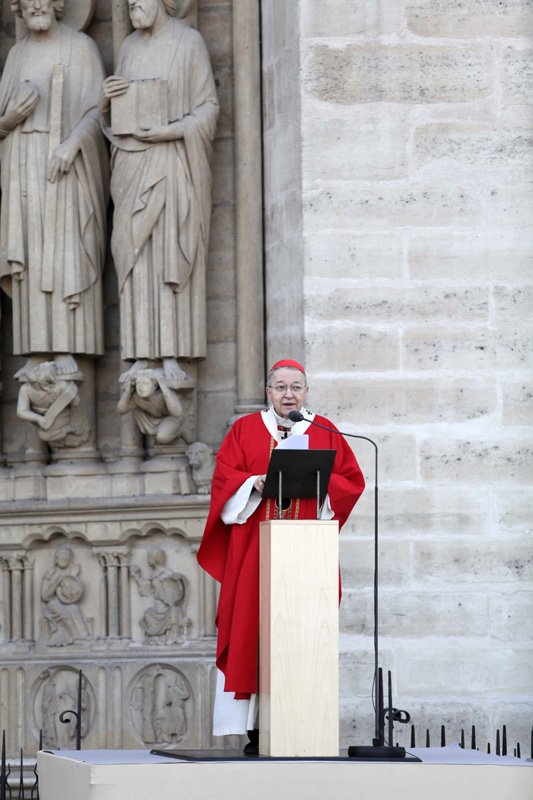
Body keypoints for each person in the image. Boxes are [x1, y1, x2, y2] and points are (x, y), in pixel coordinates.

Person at [197, 359, 365, 743]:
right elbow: (225, 478)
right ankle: (255, 729)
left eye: (296, 387)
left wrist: (322, 484)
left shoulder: (323, 430)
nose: (288, 393)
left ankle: (301, 722)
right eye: (280, 387)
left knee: (303, 632)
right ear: (268, 392)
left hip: (306, 557)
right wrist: (252, 483)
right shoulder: (245, 430)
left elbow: (351, 481)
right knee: (250, 630)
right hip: (255, 554)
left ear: (306, 392)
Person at [100, 0, 219, 378]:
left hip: (172, 162)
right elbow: (118, 116)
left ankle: (173, 355)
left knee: (170, 252)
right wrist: (106, 101)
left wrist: (172, 130)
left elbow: (209, 108)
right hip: (131, 166)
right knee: (135, 257)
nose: (134, 4)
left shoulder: (189, 42)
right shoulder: (130, 47)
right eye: (130, 1)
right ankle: (139, 354)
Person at [0, 0, 108, 360]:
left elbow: (98, 110)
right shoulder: (17, 54)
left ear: (58, 4)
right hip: (23, 166)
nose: (35, 6)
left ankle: (69, 351)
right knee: (30, 259)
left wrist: (72, 146)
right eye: (26, 2)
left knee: (67, 254)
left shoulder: (80, 47)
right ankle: (37, 354)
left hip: (68, 166)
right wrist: (10, 118)